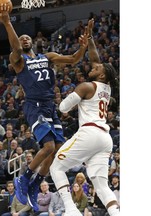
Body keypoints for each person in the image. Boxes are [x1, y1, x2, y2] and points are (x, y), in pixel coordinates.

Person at [0, 4, 88, 211]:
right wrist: (8, 22)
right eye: (22, 38)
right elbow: (15, 48)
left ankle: (36, 182)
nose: (24, 40)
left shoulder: (48, 57)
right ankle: (24, 179)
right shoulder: (18, 60)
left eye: (27, 38)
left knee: (54, 152)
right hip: (34, 105)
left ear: (33, 42)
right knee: (49, 147)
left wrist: (83, 46)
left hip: (49, 106)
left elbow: (73, 59)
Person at [49, 19, 120, 216]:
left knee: (56, 167)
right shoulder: (106, 87)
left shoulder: (86, 86)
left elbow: (63, 107)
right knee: (101, 184)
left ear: (102, 75)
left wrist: (73, 95)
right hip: (105, 139)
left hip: (89, 133)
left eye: (97, 69)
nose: (93, 67)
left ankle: (71, 210)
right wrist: (89, 40)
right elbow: (95, 59)